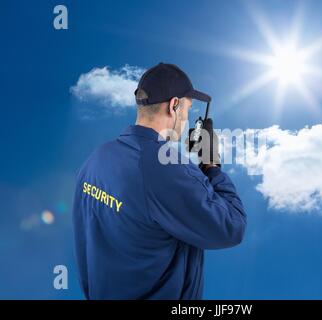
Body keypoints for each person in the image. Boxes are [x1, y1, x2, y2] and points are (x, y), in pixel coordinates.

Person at [72, 62, 247, 299]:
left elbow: (86, 246)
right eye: (187, 110)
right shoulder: (165, 168)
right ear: (174, 105)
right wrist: (212, 166)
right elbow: (231, 227)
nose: (186, 120)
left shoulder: (96, 159)